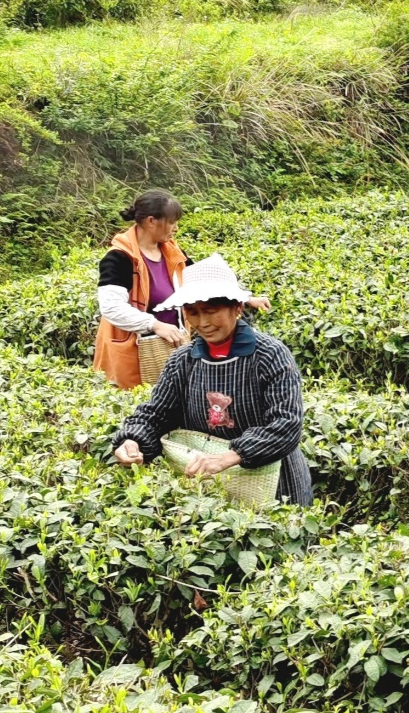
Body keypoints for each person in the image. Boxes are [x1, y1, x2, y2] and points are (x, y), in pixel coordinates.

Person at [111, 256, 313, 505]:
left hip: (275, 482)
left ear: (237, 307)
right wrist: (133, 441)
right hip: (208, 487)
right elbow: (156, 415)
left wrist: (232, 455)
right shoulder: (183, 360)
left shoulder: (269, 355)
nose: (203, 323)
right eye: (193, 313)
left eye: (211, 311)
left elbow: (287, 423)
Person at [94, 190, 270, 389]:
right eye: (171, 222)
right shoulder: (119, 258)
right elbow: (111, 307)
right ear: (152, 221)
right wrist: (154, 324)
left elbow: (203, 279)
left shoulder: (171, 251)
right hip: (136, 350)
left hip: (171, 345)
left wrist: (245, 298)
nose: (176, 228)